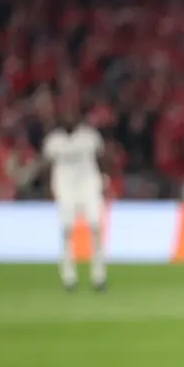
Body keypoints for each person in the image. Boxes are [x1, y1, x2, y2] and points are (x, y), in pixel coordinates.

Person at [41, 119, 108, 291]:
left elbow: (103, 157)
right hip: (65, 189)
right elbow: (46, 164)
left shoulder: (89, 136)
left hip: (88, 187)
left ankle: (98, 276)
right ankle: (69, 278)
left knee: (95, 228)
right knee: (66, 232)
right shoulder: (54, 140)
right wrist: (48, 189)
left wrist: (104, 180)